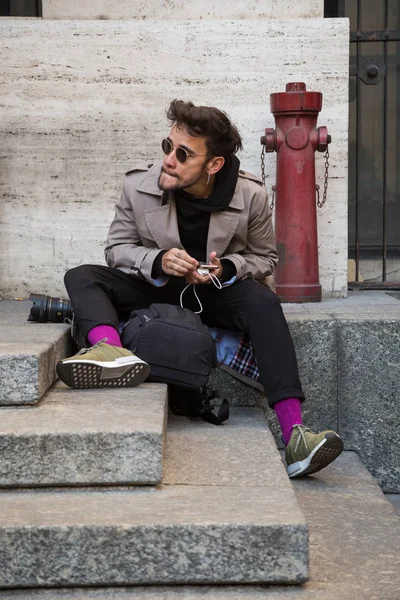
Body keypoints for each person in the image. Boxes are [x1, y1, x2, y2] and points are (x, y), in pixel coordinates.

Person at [57, 99, 343, 478]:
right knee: (81, 276)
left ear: (213, 165)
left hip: (211, 293)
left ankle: (296, 435)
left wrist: (226, 267)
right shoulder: (138, 187)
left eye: (182, 154)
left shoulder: (250, 196)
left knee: (262, 301)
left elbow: (264, 259)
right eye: (167, 147)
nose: (168, 160)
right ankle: (110, 350)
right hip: (154, 287)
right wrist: (158, 260)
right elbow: (116, 249)